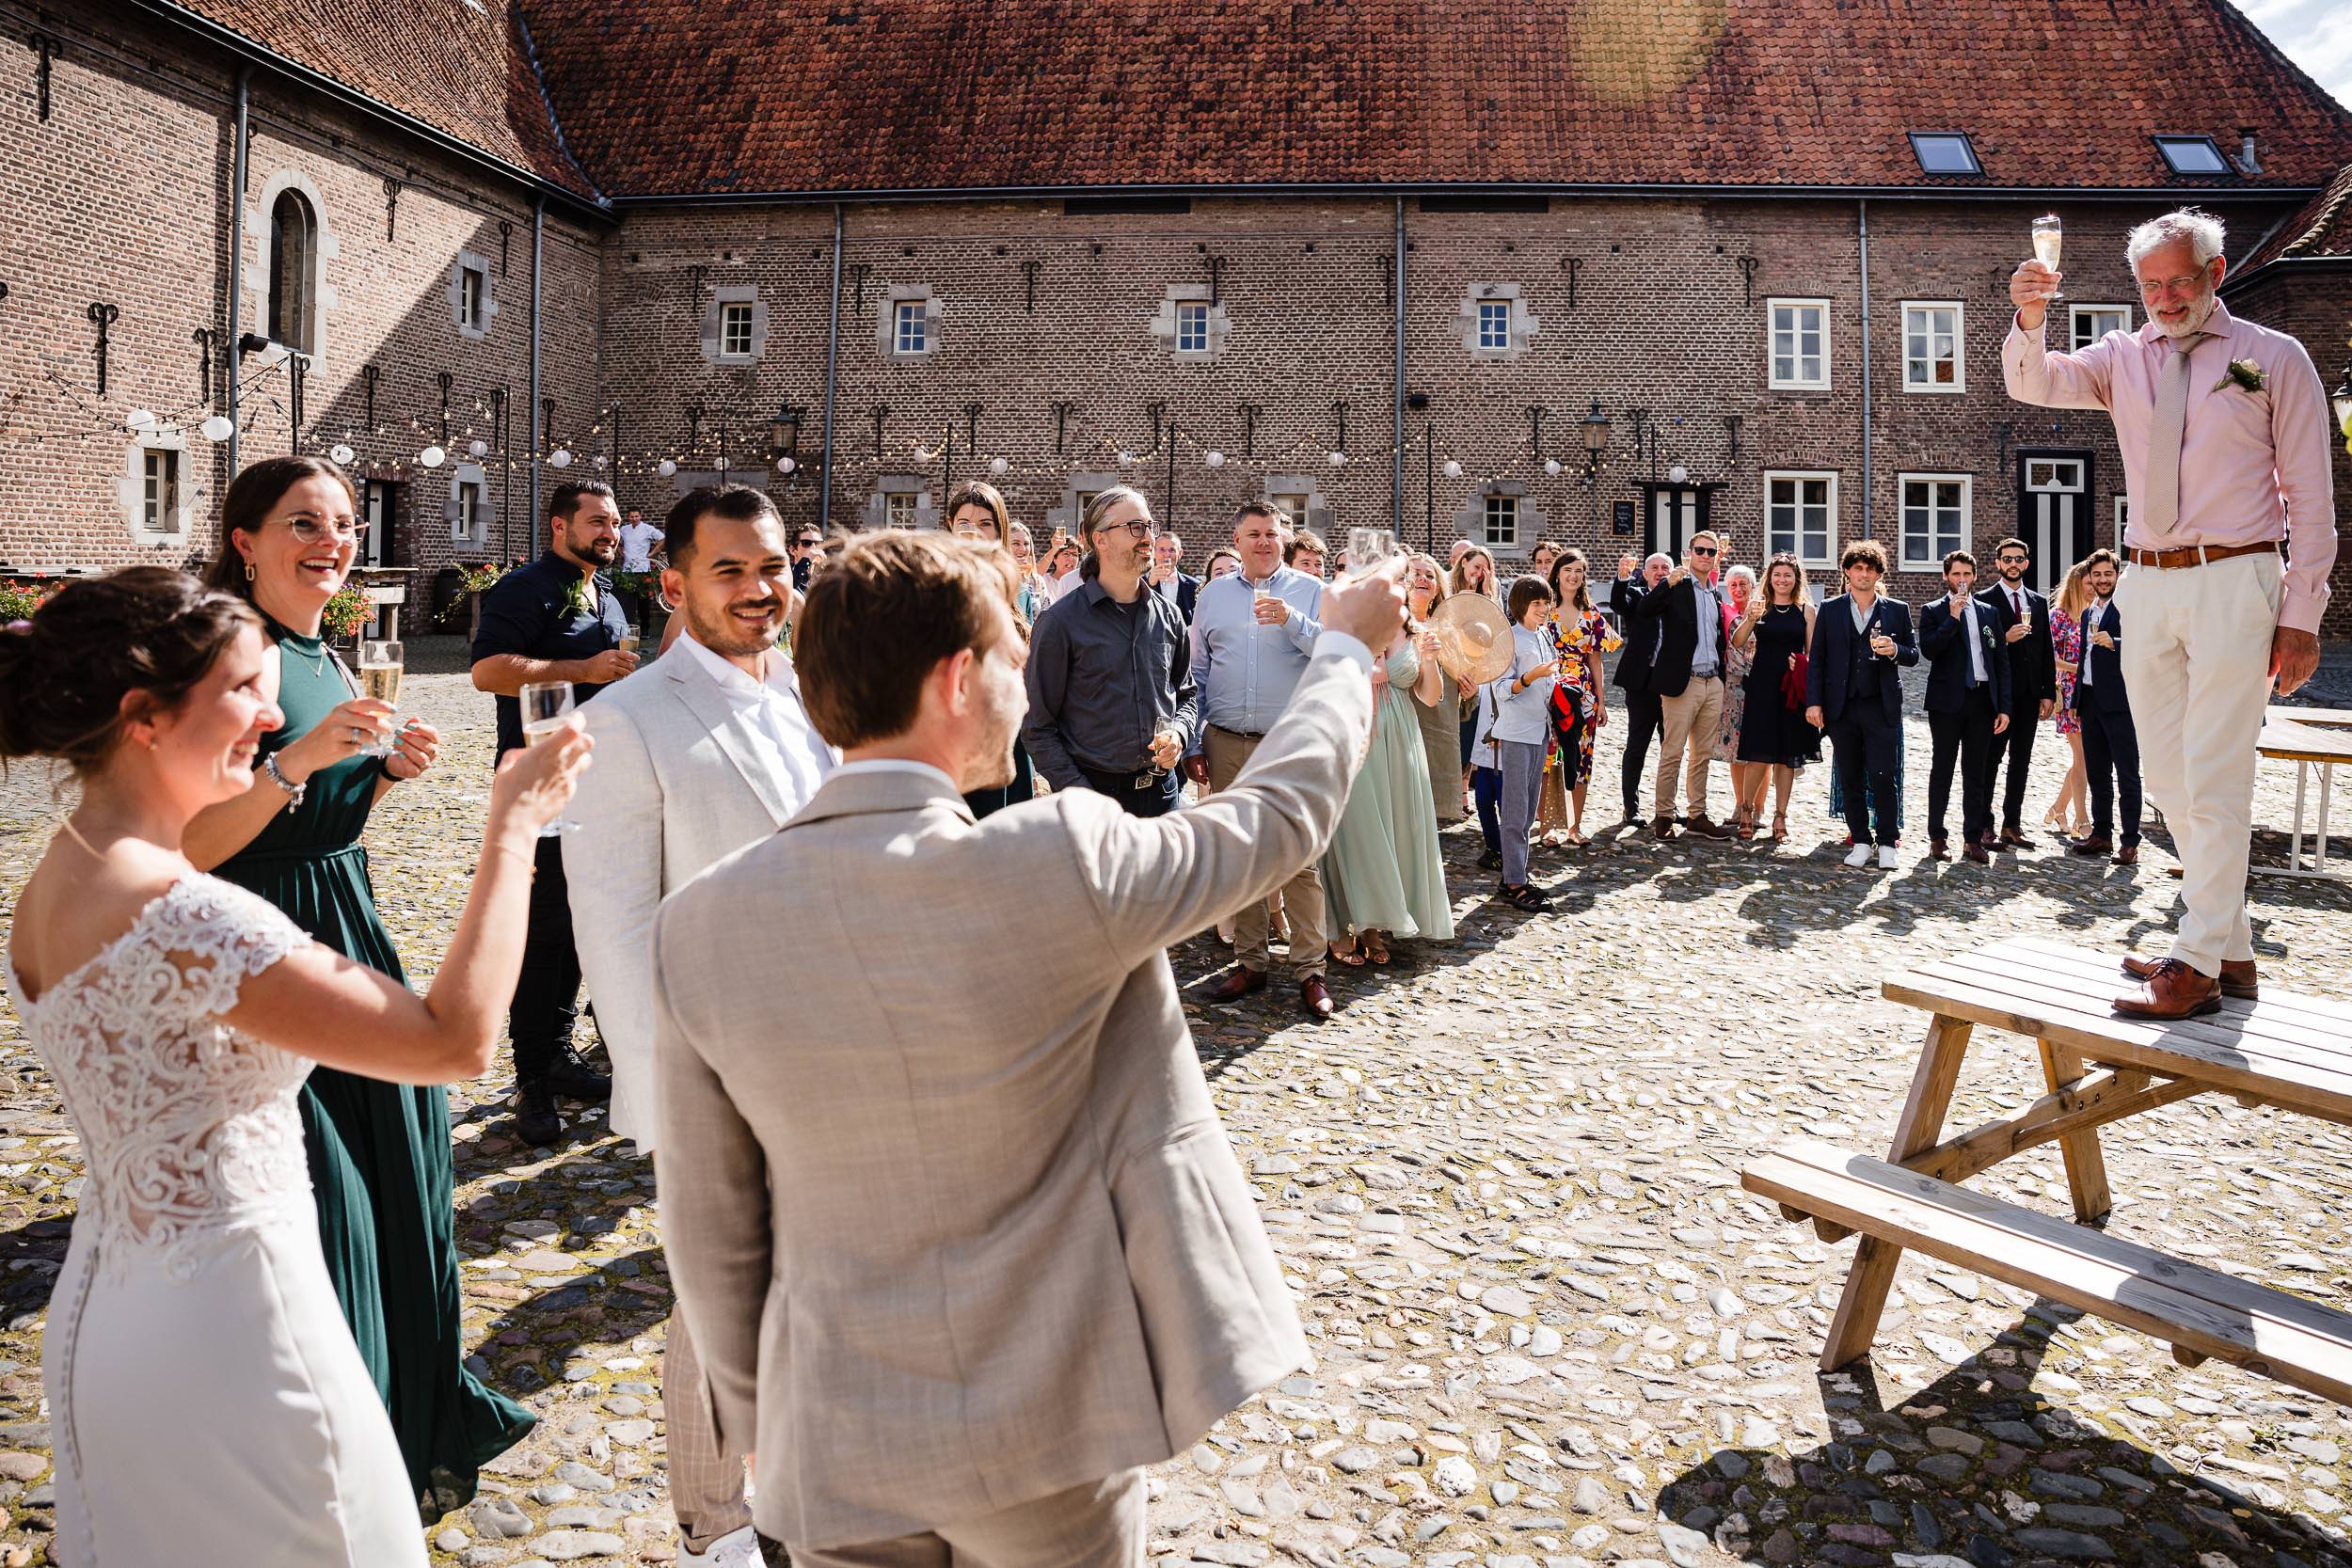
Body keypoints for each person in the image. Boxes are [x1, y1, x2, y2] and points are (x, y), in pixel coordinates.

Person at [649, 531, 1401, 1568]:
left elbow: (709, 1225)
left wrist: (766, 1427)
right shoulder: (1058, 857)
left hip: (832, 1438)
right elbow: (1278, 819)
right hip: (1044, 1426)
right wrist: (1347, 651)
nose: (1024, 680)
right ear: (958, 678)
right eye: (1013, 653)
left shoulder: (698, 925)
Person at [1, 565, 588, 1568]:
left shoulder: (61, 869)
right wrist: (514, 828)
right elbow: (451, 1040)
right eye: (243, 688)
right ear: (144, 716)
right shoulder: (189, 914)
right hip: (243, 1322)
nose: (273, 712)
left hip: (109, 1313)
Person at [183, 456, 537, 1518]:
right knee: (324, 1205)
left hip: (347, 917)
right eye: (303, 523)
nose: (331, 541)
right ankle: (315, 1464)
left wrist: (374, 774)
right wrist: (297, 763)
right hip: (263, 945)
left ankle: (396, 1416)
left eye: (342, 523)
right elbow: (195, 841)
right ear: (244, 539)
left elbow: (315, 813)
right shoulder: (221, 649)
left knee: (398, 1183)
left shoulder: (325, 651)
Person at [564, 486, 830, 1567]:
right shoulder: (622, 722)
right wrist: (667, 1094)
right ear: (671, 582)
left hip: (835, 1051)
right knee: (719, 1296)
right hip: (718, 1065)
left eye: (770, 566)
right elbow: (613, 927)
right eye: (728, 570)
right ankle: (714, 1521)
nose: (759, 589)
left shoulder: (817, 694)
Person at [2007, 206, 2337, 1019]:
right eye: (2150, 284)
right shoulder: (2121, 357)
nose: (2163, 297)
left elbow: (2313, 498)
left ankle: (2195, 960)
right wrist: (2030, 316)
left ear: (2215, 275)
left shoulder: (2275, 358)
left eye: (2178, 281)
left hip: (2237, 577)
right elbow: (2031, 382)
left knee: (2218, 771)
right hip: (2146, 583)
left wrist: (2302, 613)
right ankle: (2233, 948)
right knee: (2163, 774)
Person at [469, 480, 636, 1144]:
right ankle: (531, 1077)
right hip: (539, 785)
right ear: (559, 525)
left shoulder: (611, 594)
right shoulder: (523, 588)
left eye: (617, 522)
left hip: (603, 784)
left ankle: (563, 1053)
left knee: (580, 928)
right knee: (540, 935)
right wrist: (583, 668)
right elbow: (488, 672)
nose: (610, 531)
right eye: (597, 521)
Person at [1185, 502, 1338, 1019]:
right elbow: (1198, 671)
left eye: (1272, 534)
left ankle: (1310, 969)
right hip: (1227, 741)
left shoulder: (1312, 592)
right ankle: (1250, 962)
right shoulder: (1213, 595)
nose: (1263, 542)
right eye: (1253, 535)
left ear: (1285, 538)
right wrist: (1194, 742)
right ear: (1238, 539)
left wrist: (1293, 621)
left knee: (1299, 858)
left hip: (1288, 743)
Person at [1024, 486, 1198, 818]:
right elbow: (1037, 727)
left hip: (1163, 796)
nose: (1147, 536)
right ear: (1099, 539)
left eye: (1149, 525)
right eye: (1134, 527)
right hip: (1091, 797)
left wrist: (1178, 732)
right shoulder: (1060, 623)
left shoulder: (1170, 617)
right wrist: (1079, 794)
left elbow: (1187, 694)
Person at [1323, 597, 1454, 965]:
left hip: (1402, 738)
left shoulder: (1416, 632)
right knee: (1361, 828)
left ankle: (1378, 925)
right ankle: (1350, 925)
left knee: (1398, 828)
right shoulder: (1350, 622)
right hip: (1358, 732)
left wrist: (1428, 661)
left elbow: (1429, 697)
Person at [1806, 539, 1918, 871]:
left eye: (1870, 569)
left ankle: (1887, 842)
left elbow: (1913, 655)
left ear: (1878, 573)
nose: (1864, 574)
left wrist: (1895, 650)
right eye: (1858, 568)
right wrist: (1814, 703)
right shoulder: (1831, 609)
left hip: (1879, 705)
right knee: (1850, 775)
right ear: (1847, 572)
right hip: (1841, 707)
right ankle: (1859, 840)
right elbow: (1818, 661)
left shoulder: (1896, 610)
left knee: (1883, 775)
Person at [1620, 531, 1736, 839]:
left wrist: (1721, 678)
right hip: (1683, 683)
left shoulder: (1715, 593)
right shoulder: (1676, 586)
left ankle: (1697, 813)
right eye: (1700, 550)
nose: (1706, 555)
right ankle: (1664, 815)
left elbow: (1717, 637)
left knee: (1702, 754)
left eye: (1711, 552)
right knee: (1672, 750)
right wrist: (1666, 583)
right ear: (1689, 552)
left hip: (1712, 681)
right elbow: (1644, 610)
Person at [1918, 549, 2013, 864]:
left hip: (1981, 700)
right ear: (1946, 576)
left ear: (1974, 577)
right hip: (1947, 702)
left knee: (1977, 772)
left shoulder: (1988, 612)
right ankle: (1937, 836)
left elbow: (2000, 660)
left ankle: (1973, 838)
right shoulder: (1933, 610)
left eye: (1966, 575)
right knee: (1942, 769)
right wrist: (1953, 617)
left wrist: (2003, 706)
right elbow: (1930, 650)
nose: (1961, 581)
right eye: (1956, 574)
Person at [1732, 552, 1820, 843]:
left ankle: (1780, 816)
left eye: (1788, 575)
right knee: (1758, 754)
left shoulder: (1807, 610)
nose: (1782, 580)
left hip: (1791, 688)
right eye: (1777, 575)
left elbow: (1815, 653)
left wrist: (1803, 665)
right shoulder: (1761, 606)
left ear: (1796, 580)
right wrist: (1751, 618)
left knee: (1787, 757)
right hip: (1762, 685)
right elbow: (1738, 642)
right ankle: (1746, 811)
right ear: (1769, 578)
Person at [1979, 536, 2058, 847]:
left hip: (2028, 695)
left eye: (2019, 559)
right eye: (2007, 559)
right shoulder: (1985, 601)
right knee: (1991, 759)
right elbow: (1979, 647)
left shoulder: (2038, 603)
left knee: (2021, 761)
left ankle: (2012, 824)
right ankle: (1984, 824)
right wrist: (2004, 638)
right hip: (1998, 695)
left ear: (2027, 563)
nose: (2013, 564)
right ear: (1998, 564)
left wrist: (2047, 692)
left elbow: (2046, 650)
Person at [2068, 548, 2143, 869]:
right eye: (2096, 575)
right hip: (2090, 699)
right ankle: (2102, 833)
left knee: (2127, 773)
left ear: (2117, 576)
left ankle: (2129, 841)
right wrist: (2075, 701)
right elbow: (2083, 659)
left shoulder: (2128, 609)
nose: (2102, 580)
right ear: (2090, 579)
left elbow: (2147, 645)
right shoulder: (2088, 613)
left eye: (2107, 574)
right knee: (2097, 772)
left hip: (2121, 702)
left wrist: (2117, 643)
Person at [1540, 549, 1619, 847]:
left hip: (1583, 693)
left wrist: (1601, 701)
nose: (1573, 576)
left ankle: (1575, 826)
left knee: (1582, 757)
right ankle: (1547, 827)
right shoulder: (1544, 609)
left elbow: (1596, 661)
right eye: (1568, 570)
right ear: (1557, 573)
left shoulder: (1592, 614)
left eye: (1579, 571)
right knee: (1548, 757)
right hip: (1549, 687)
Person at [1492, 576, 1559, 911]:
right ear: (1521, 606)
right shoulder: (1510, 639)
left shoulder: (1544, 635)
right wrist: (1529, 678)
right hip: (1517, 732)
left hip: (1540, 729)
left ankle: (1516, 873)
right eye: (1537, 604)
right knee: (1516, 810)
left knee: (1529, 808)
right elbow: (1500, 689)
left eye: (1547, 603)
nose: (1544, 609)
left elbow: (1551, 682)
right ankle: (1514, 881)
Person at [1404, 553, 1467, 828]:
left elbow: (1461, 680)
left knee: (1426, 816)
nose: (1422, 579)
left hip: (1435, 727)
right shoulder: (1391, 623)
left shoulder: (1449, 631)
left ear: (1438, 587)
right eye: (1416, 573)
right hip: (1399, 721)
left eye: (1430, 575)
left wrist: (1469, 689)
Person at [1609, 552, 1670, 832]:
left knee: (1671, 748)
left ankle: (1668, 807)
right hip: (1641, 683)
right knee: (1637, 746)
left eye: (1664, 567)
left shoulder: (1678, 596)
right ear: (1644, 573)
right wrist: (1622, 577)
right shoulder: (1635, 593)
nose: (1659, 571)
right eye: (1654, 568)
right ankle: (1630, 807)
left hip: (1671, 684)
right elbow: (1618, 603)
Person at [2046, 560, 2093, 836]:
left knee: (2083, 758)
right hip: (2069, 694)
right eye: (2088, 583)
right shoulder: (2059, 617)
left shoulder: (2096, 614)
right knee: (2083, 757)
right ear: (2076, 584)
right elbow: (2050, 658)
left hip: (2092, 693)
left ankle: (2059, 809)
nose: (2093, 588)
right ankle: (2082, 819)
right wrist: (2080, 668)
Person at [1713, 564, 1758, 837]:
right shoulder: (1725, 611)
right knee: (1735, 752)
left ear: (1752, 586)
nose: (1739, 589)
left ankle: (1758, 805)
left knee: (1759, 751)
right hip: (1733, 685)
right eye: (1734, 585)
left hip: (1760, 684)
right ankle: (1739, 804)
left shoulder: (1762, 611)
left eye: (1744, 584)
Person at [1151, 531, 1202, 621]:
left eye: (1172, 550)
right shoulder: (1141, 583)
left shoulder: (1195, 585)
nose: (1167, 554)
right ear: (1154, 553)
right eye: (1162, 549)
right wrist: (1150, 585)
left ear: (1180, 553)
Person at [790, 526, 825, 594]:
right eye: (806, 543)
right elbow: (791, 588)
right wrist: (806, 561)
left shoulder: (824, 579)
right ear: (793, 550)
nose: (813, 547)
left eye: (818, 543)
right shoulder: (786, 574)